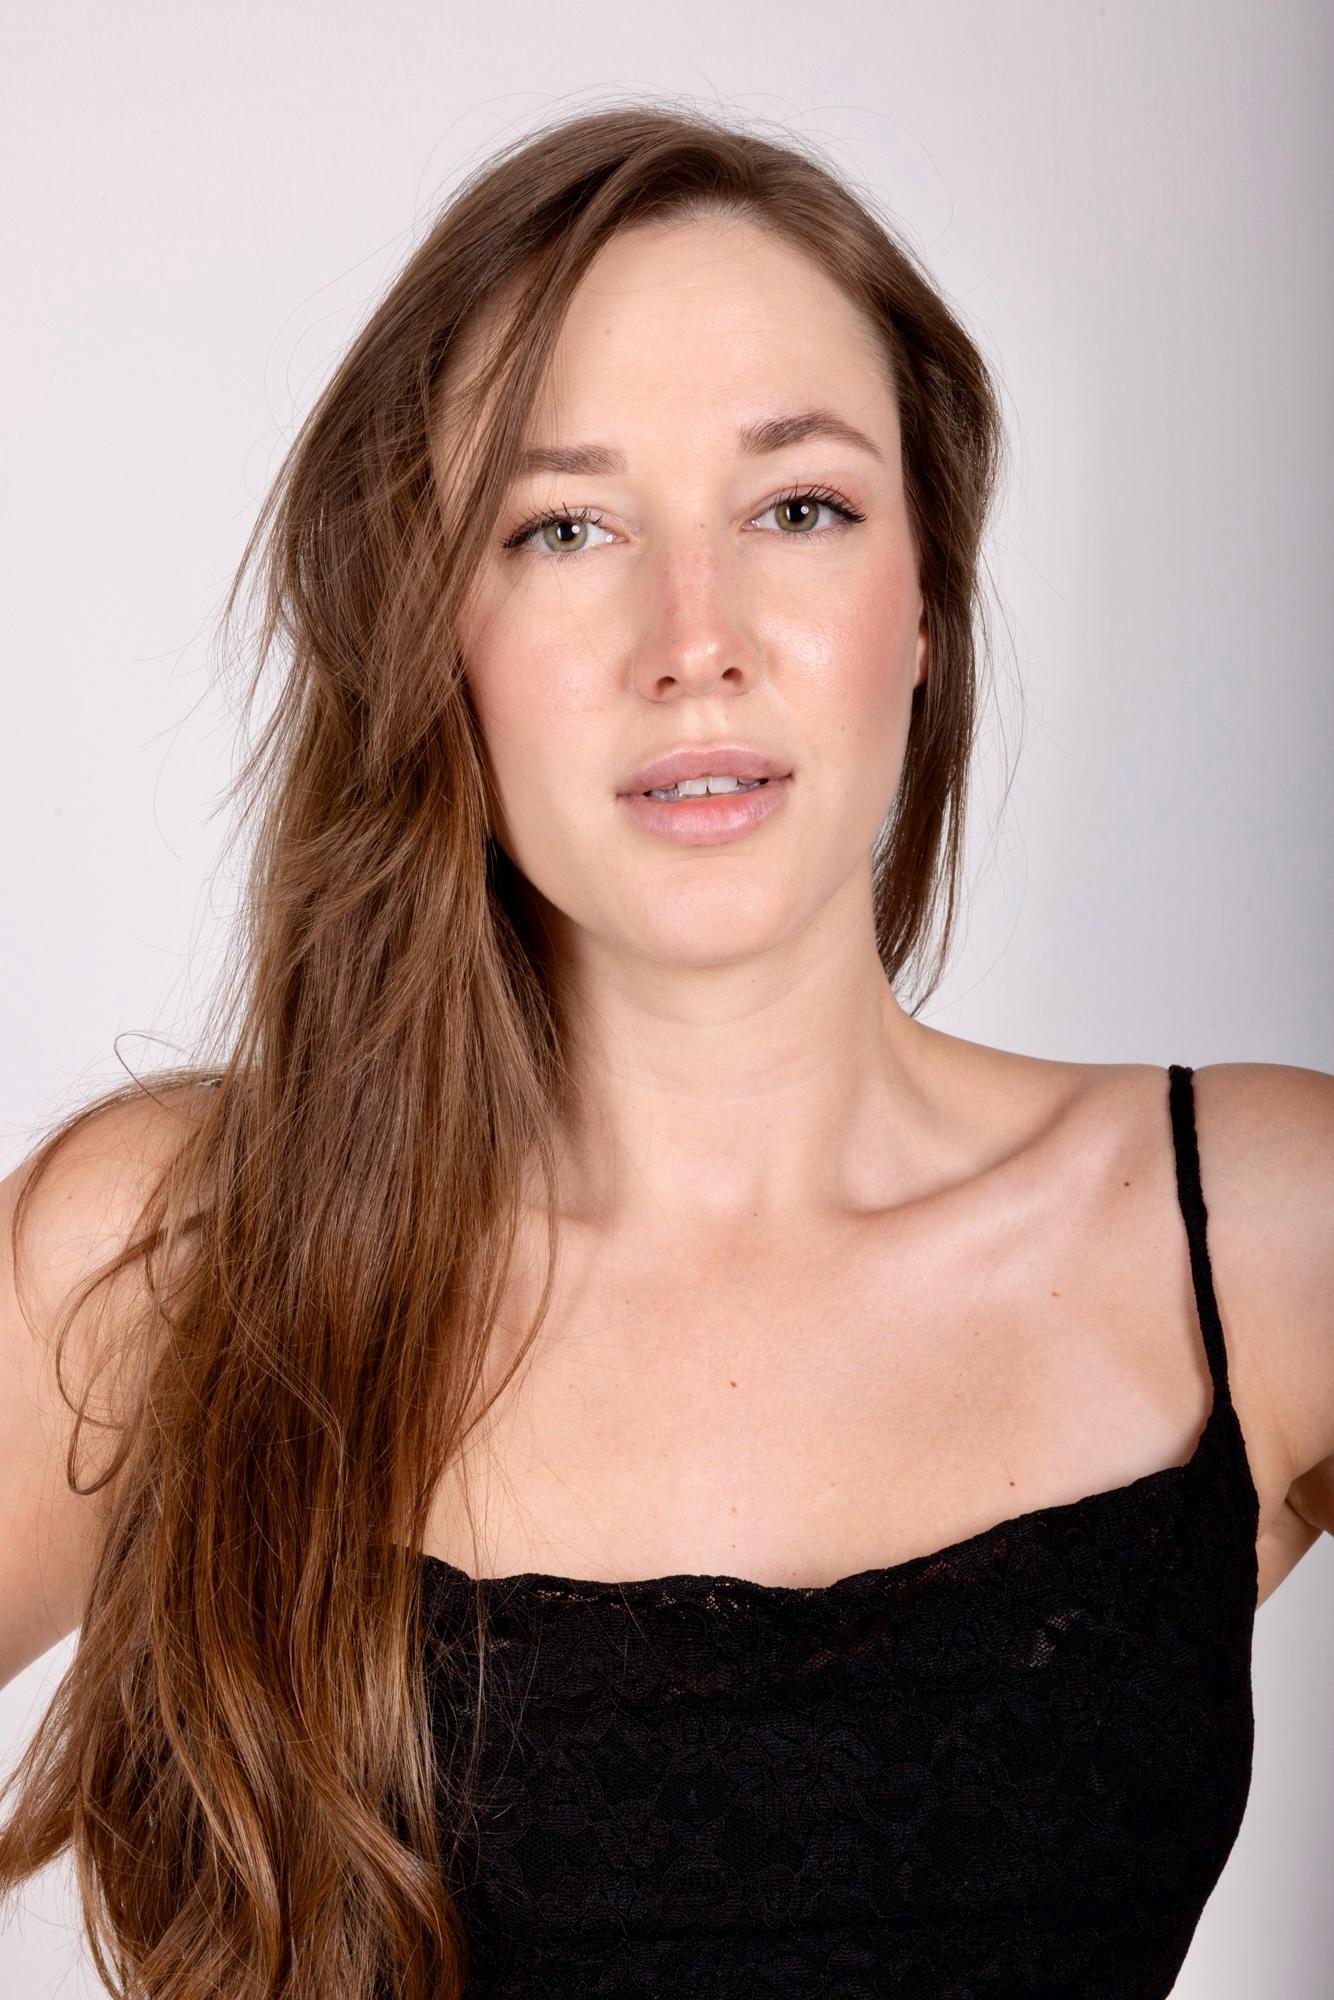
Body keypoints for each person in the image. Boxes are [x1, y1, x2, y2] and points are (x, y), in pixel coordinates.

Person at [1, 101, 1330, 2000]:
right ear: (431, 637)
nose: (691, 640)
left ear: (926, 601)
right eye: (563, 528)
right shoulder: (175, 1257)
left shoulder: (1263, 1236)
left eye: (798, 509)